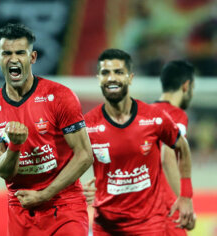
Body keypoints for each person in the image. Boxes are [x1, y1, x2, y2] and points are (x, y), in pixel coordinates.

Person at [0, 23, 93, 235]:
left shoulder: (60, 96)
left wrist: (45, 194)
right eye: (6, 53)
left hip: (64, 206)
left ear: (33, 57)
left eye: (21, 52)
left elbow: (84, 155)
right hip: (22, 210)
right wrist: (15, 146)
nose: (14, 59)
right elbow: (3, 172)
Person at [84, 49, 194, 235]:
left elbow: (181, 148)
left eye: (118, 72)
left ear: (130, 77)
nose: (112, 78)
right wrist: (78, 188)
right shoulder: (87, 125)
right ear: (99, 78)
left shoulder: (155, 118)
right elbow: (65, 162)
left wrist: (186, 196)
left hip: (148, 225)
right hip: (106, 226)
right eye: (105, 73)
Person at [152, 60, 196, 233]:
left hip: (140, 212)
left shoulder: (145, 113)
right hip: (165, 211)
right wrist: (184, 200)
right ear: (186, 85)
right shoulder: (176, 115)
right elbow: (167, 155)